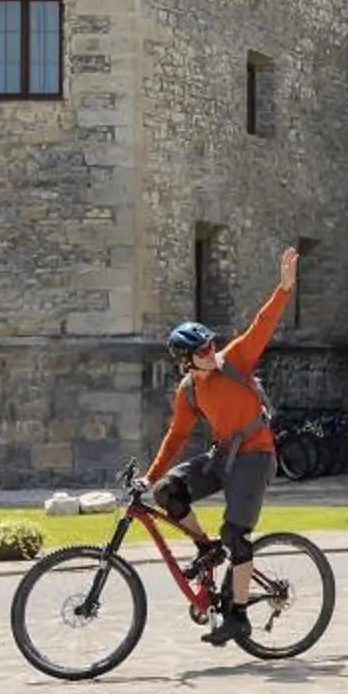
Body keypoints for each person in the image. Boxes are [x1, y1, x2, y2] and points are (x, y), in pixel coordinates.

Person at [145, 245, 297, 646]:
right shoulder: (189, 390)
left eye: (210, 345)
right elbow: (175, 437)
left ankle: (239, 616)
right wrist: (149, 478)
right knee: (167, 493)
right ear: (186, 362)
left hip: (255, 455)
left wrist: (284, 288)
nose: (210, 353)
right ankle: (206, 547)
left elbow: (261, 325)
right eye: (201, 351)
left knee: (237, 537)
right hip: (222, 458)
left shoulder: (236, 360)